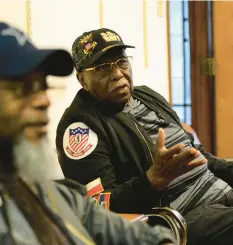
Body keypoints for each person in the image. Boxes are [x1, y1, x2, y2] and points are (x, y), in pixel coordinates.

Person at [0, 22, 176, 245]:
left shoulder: (31, 182)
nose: (43, 100)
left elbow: (107, 225)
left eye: (43, 86)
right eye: (21, 88)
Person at [56, 28, 233, 245]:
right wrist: (151, 182)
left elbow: (200, 155)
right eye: (102, 68)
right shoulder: (80, 127)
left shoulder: (147, 96)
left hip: (221, 195)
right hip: (180, 218)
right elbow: (97, 206)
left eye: (122, 62)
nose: (118, 73)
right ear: (82, 79)